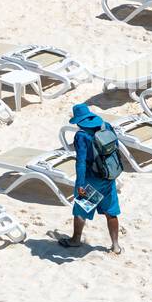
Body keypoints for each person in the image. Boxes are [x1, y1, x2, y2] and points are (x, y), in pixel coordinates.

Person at [56, 103, 122, 255]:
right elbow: (116, 147)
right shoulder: (106, 126)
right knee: (111, 212)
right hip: (108, 176)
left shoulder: (81, 135)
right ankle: (116, 246)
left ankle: (75, 240)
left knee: (80, 210)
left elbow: (81, 162)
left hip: (91, 181)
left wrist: (79, 184)